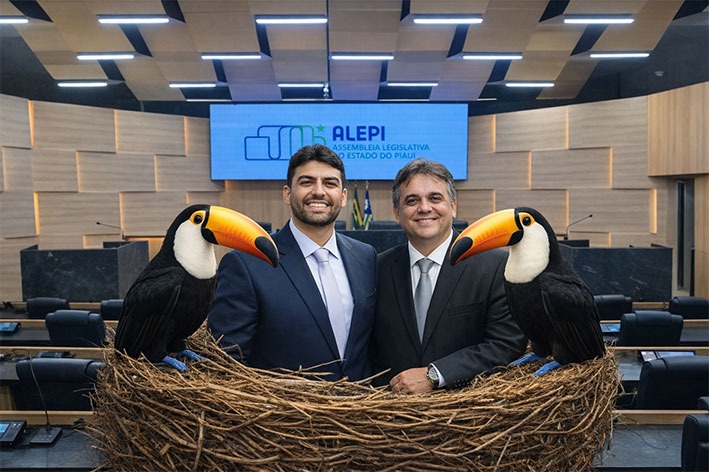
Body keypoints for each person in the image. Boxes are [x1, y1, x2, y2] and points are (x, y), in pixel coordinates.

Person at [208, 144, 377, 381]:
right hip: (282, 404)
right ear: (287, 194)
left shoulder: (366, 257)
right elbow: (227, 362)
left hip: (363, 401)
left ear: (343, 197)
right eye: (307, 182)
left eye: (330, 183)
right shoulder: (247, 264)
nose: (319, 192)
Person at [371, 158, 527, 393]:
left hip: (468, 409)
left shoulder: (496, 267)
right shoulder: (376, 268)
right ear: (397, 212)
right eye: (412, 200)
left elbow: (505, 345)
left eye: (435, 198)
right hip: (386, 409)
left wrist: (435, 375)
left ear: (453, 206)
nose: (424, 208)